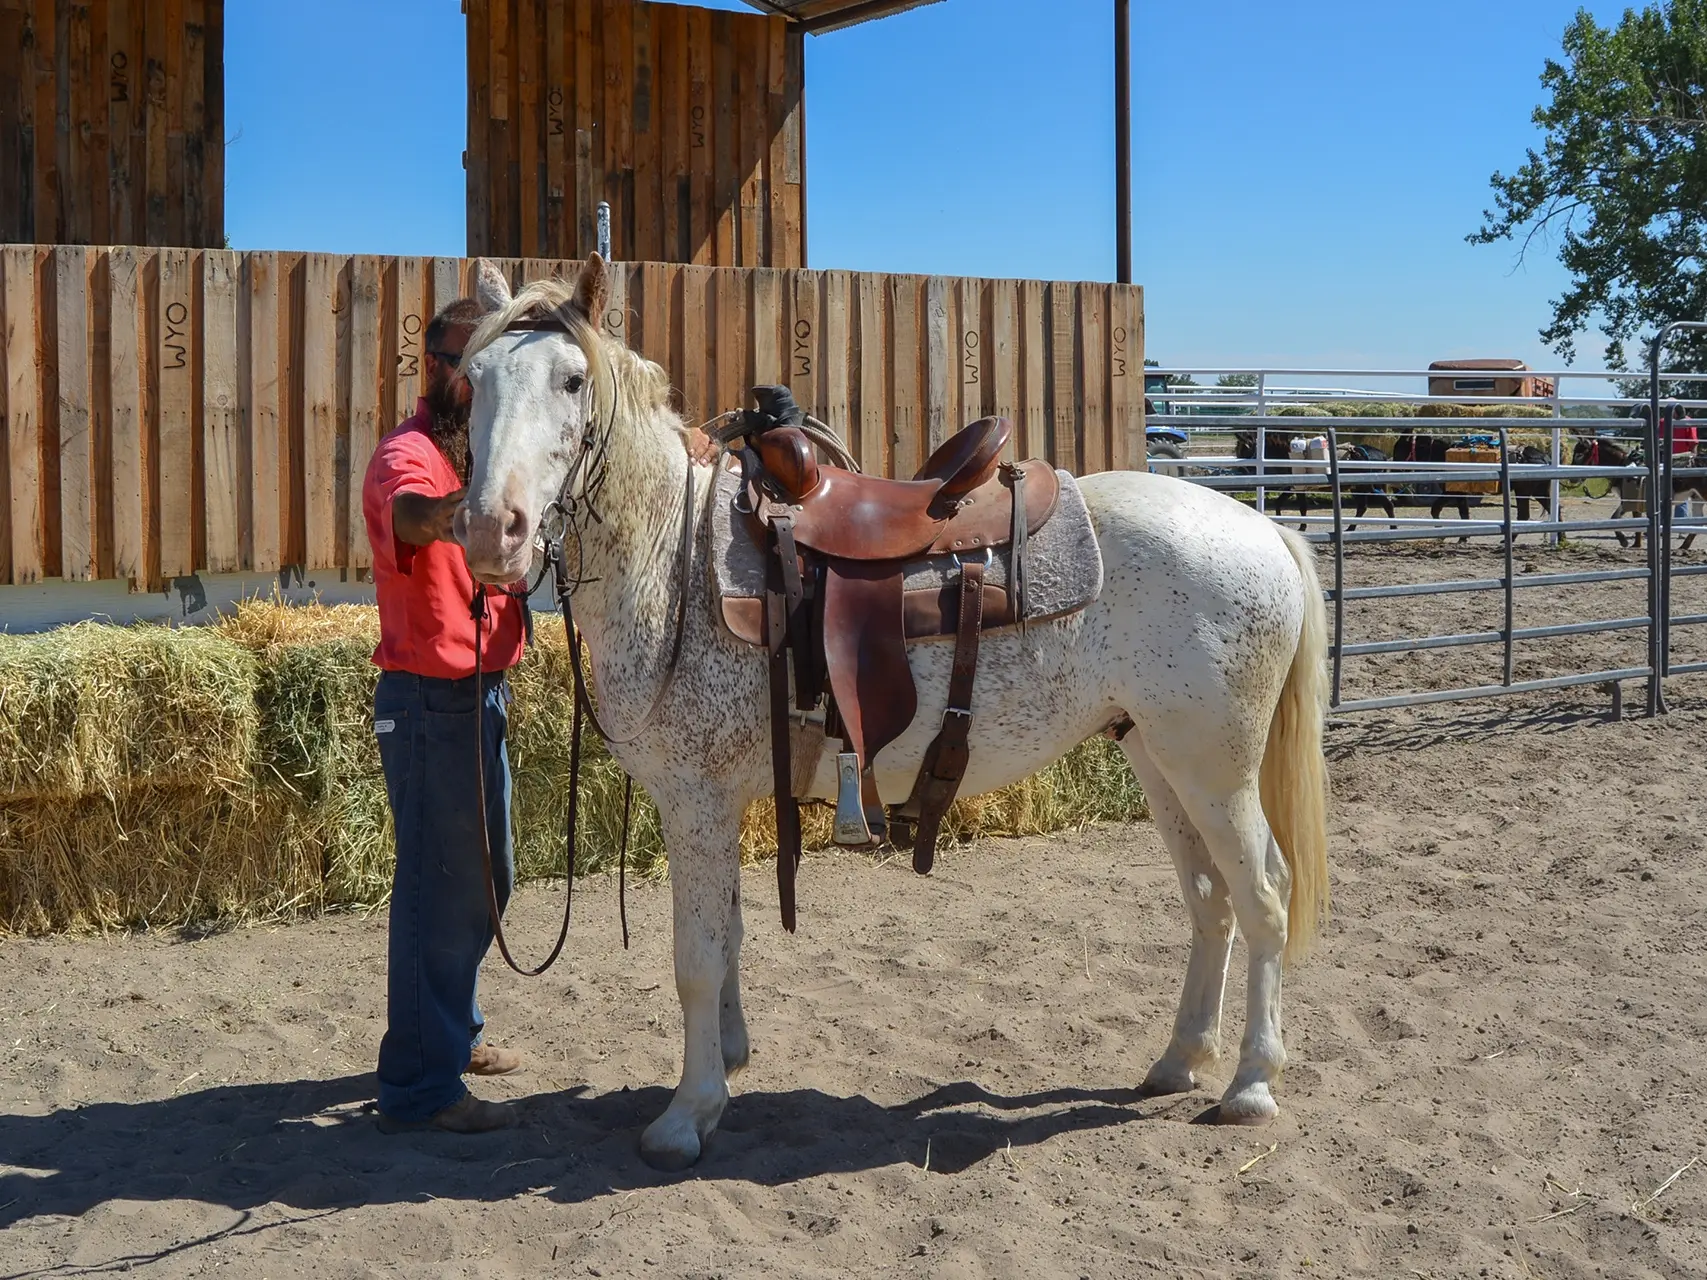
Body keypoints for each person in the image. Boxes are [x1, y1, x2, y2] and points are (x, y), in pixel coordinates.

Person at [360, 294, 526, 1135]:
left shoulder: (489, 456)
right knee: (437, 885)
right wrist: (469, 519)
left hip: (478, 695)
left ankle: (449, 1038)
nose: (485, 388)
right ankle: (422, 1090)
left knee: (489, 879)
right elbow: (407, 517)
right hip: (427, 703)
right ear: (437, 369)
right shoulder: (409, 455)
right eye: (475, 370)